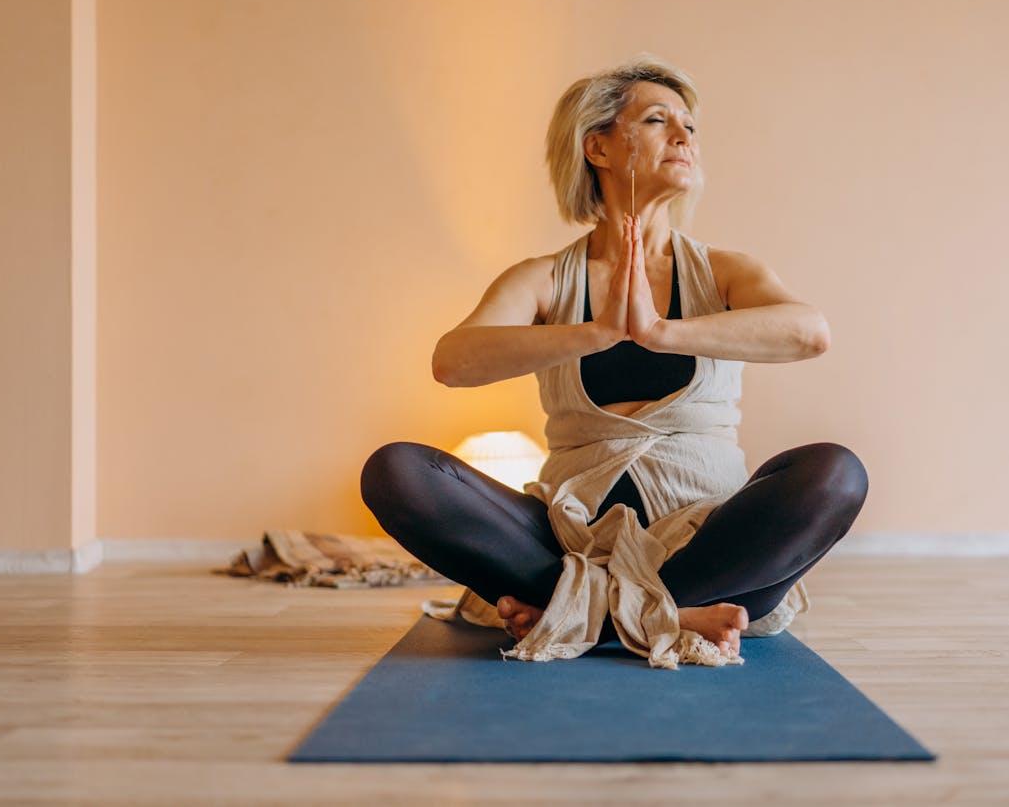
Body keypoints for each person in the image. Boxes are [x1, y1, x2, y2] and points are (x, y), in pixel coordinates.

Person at [360, 56, 868, 669]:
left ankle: (586, 615)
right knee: (396, 471)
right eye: (658, 120)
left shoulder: (727, 273)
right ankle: (665, 614)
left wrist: (659, 331)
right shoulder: (544, 279)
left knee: (836, 473)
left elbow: (809, 333)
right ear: (596, 147)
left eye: (690, 125)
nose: (685, 136)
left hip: (708, 543)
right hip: (568, 538)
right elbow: (454, 360)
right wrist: (595, 332)